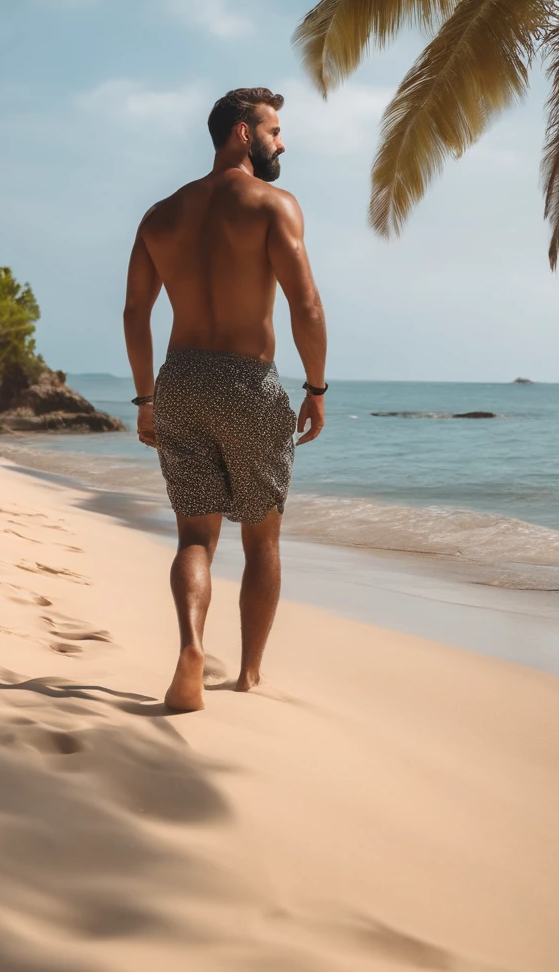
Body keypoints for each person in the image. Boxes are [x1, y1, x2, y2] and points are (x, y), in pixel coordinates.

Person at [123, 87, 327, 711]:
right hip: (246, 380)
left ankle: (190, 645)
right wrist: (316, 388)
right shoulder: (273, 204)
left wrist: (145, 399)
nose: (281, 142)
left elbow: (135, 313)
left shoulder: (160, 215)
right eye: (274, 130)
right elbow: (305, 304)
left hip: (180, 379)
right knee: (262, 540)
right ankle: (248, 675)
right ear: (243, 133)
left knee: (194, 538)